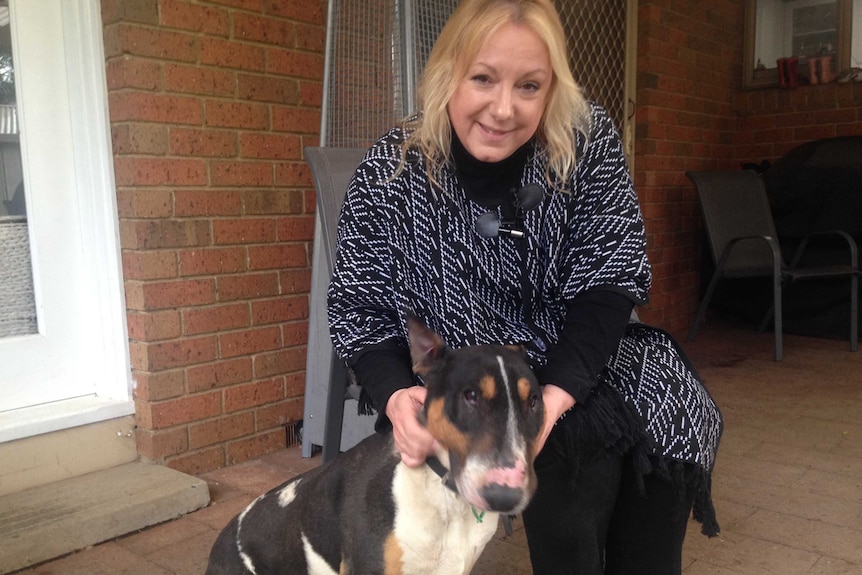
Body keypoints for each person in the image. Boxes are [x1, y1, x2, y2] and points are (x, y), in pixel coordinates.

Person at [327, 0, 722, 573]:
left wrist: (556, 397)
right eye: (483, 78)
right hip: (469, 377)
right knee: (569, 487)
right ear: (447, 76)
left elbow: (610, 277)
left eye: (529, 86)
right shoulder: (393, 169)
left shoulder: (584, 144)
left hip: (579, 360)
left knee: (650, 443)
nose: (504, 109)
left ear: (552, 89)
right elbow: (358, 304)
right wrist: (395, 399)